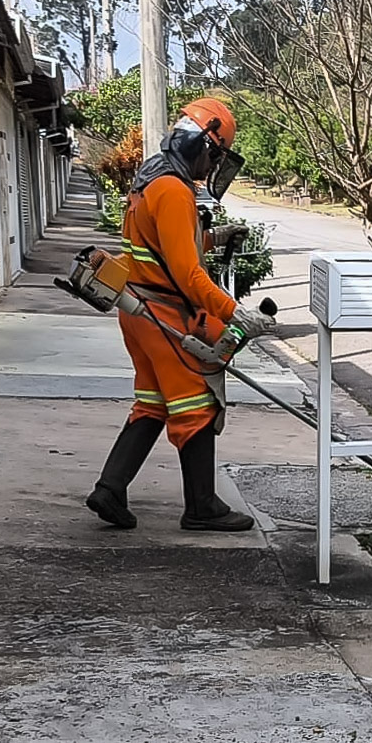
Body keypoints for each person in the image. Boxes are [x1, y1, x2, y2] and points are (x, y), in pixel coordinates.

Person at [86, 98, 274, 532]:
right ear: (202, 144)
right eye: (215, 156)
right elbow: (188, 275)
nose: (213, 167)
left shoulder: (150, 179)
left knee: (153, 403)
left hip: (138, 309)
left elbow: (164, 247)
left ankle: (110, 489)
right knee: (197, 403)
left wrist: (214, 237)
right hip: (163, 314)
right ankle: (202, 506)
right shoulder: (173, 190)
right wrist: (236, 313)